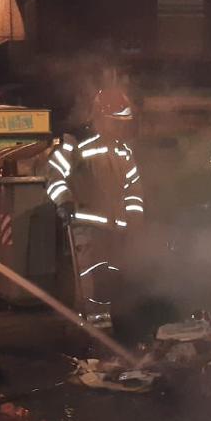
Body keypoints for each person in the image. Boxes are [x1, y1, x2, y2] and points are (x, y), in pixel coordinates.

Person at [44, 89, 144, 330]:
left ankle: (110, 331)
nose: (120, 128)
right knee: (89, 283)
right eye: (115, 122)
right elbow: (54, 175)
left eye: (123, 123)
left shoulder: (123, 151)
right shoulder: (76, 145)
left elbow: (133, 190)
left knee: (113, 281)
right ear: (99, 118)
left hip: (116, 230)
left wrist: (136, 221)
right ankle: (90, 332)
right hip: (86, 227)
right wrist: (64, 201)